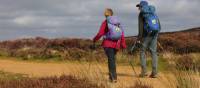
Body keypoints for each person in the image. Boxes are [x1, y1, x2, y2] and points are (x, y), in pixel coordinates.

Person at [93, 8, 126, 82]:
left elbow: (100, 33)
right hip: (116, 45)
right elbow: (122, 34)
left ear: (105, 14)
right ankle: (113, 77)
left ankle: (113, 77)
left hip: (108, 44)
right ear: (112, 14)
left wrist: (95, 39)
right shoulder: (118, 23)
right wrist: (123, 45)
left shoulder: (105, 22)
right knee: (112, 60)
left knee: (111, 60)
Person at [136, 1, 161, 78]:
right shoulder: (153, 12)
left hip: (146, 36)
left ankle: (144, 72)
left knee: (142, 51)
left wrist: (139, 38)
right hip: (155, 34)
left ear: (142, 6)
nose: (139, 8)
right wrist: (156, 34)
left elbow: (140, 28)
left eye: (139, 7)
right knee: (154, 52)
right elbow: (159, 25)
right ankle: (155, 73)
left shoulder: (141, 14)